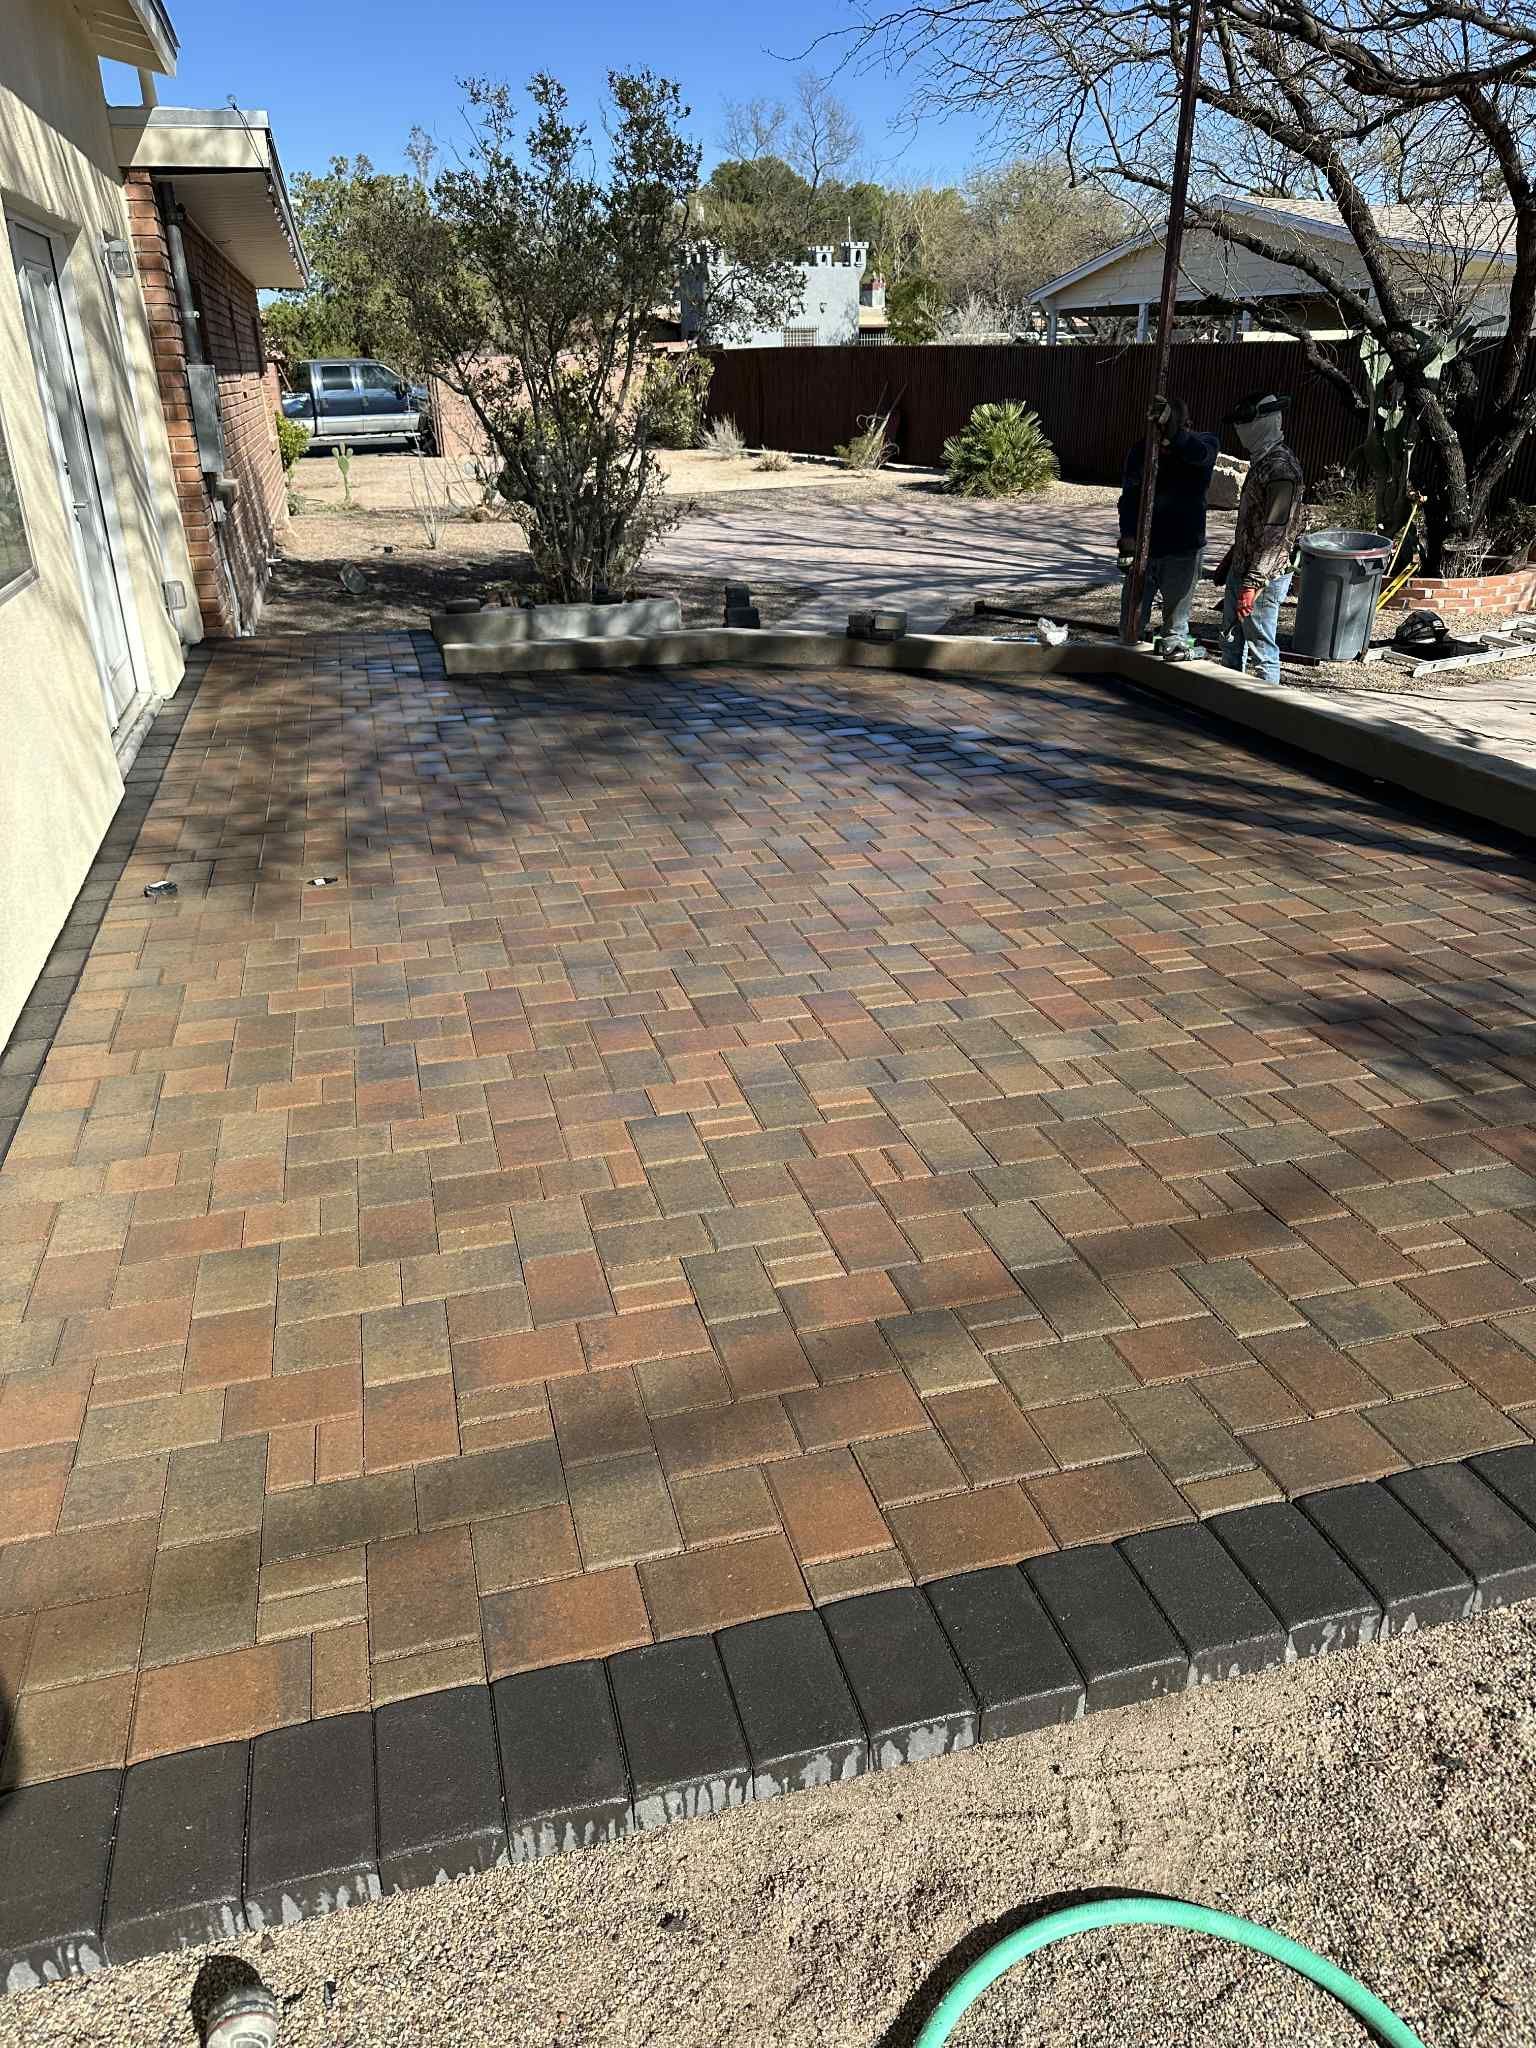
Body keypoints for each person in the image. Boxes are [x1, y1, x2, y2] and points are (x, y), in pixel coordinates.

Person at [1211, 391, 1307, 685]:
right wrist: (1232, 560)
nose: (1240, 431)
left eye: (1245, 423)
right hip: (1244, 568)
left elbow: (1276, 534)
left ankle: (1268, 704)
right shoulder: (1262, 462)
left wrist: (1252, 584)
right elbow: (1252, 524)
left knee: (1261, 650)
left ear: (1265, 422)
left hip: (1265, 577)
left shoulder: (1281, 470)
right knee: (1231, 642)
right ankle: (1229, 700)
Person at [1117, 396, 1219, 660]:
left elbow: (1201, 455)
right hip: (1146, 549)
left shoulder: (1204, 444)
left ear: (1187, 426)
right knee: (1130, 624)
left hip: (1183, 551)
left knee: (1174, 631)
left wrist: (1174, 434)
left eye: (1167, 433)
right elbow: (1129, 496)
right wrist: (1127, 538)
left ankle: (1175, 661)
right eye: (1157, 433)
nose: (1162, 442)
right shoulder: (1142, 451)